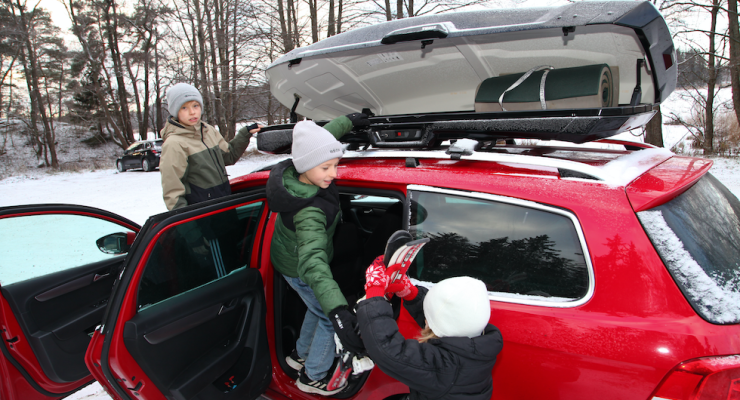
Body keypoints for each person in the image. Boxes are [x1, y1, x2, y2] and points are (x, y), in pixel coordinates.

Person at [266, 113, 370, 396]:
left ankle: (299, 355)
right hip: (300, 267)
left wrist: (349, 121)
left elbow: (325, 136)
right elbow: (312, 262)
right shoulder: (309, 211)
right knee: (326, 315)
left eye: (336, 165)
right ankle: (312, 375)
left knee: (314, 307)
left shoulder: (304, 169)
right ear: (307, 165)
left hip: (289, 258)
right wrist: (337, 310)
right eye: (327, 167)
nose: (334, 174)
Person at [357, 256, 504, 400]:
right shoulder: (479, 348)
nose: (425, 320)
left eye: (427, 319)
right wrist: (410, 293)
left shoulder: (445, 367)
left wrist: (374, 291)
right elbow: (445, 320)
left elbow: (387, 349)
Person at [160, 82, 262, 210]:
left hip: (224, 202)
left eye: (195, 105)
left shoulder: (208, 131)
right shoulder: (174, 144)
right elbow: (173, 193)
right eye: (184, 108)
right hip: (201, 213)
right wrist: (188, 225)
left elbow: (229, 156)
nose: (192, 112)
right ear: (175, 111)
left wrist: (244, 134)